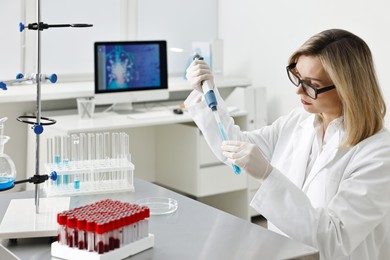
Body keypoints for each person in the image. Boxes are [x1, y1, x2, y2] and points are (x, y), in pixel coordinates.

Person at [184, 29, 390, 260]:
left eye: (311, 84)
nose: (298, 90)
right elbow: (235, 147)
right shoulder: (298, 121)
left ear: (347, 88)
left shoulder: (379, 154)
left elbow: (334, 240)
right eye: (298, 77)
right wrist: (205, 90)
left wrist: (268, 175)